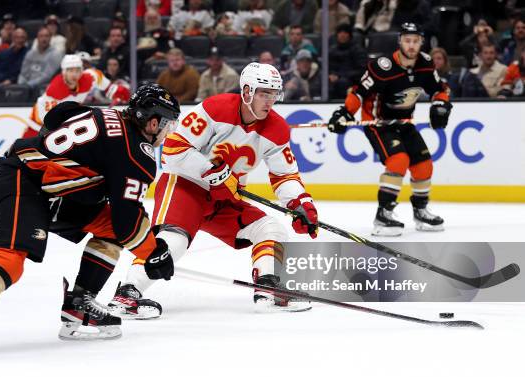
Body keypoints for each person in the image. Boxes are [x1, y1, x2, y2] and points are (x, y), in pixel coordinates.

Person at [0, 84, 181, 361]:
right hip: (26, 182)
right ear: (152, 121)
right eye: (167, 125)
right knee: (10, 258)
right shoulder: (136, 155)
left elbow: (59, 113)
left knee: (110, 229)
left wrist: (51, 149)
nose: (168, 132)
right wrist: (153, 254)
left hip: (52, 189)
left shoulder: (105, 113)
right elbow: (128, 222)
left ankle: (80, 305)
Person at [108, 62, 318, 319]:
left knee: (271, 229)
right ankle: (127, 293)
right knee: (175, 241)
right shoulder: (215, 108)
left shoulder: (277, 129)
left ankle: (267, 288)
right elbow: (174, 149)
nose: (270, 101)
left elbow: (284, 174)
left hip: (225, 197)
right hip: (186, 185)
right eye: (264, 93)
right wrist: (210, 169)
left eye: (274, 94)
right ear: (247, 91)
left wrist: (300, 203)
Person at [328, 23, 451, 236]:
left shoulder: (426, 64)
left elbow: (440, 90)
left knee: (424, 165)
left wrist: (440, 105)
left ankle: (420, 211)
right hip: (378, 123)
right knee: (399, 160)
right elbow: (358, 92)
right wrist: (345, 113)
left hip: (404, 123)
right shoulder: (381, 66)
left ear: (422, 42)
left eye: (415, 41)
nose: (411, 45)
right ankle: (383, 214)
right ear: (400, 41)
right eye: (407, 40)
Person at [21, 54, 126, 138]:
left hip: (65, 115)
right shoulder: (55, 90)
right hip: (39, 120)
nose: (74, 74)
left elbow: (107, 86)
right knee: (26, 149)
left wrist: (119, 92)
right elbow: (49, 120)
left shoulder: (90, 77)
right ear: (64, 72)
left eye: (77, 70)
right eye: (70, 71)